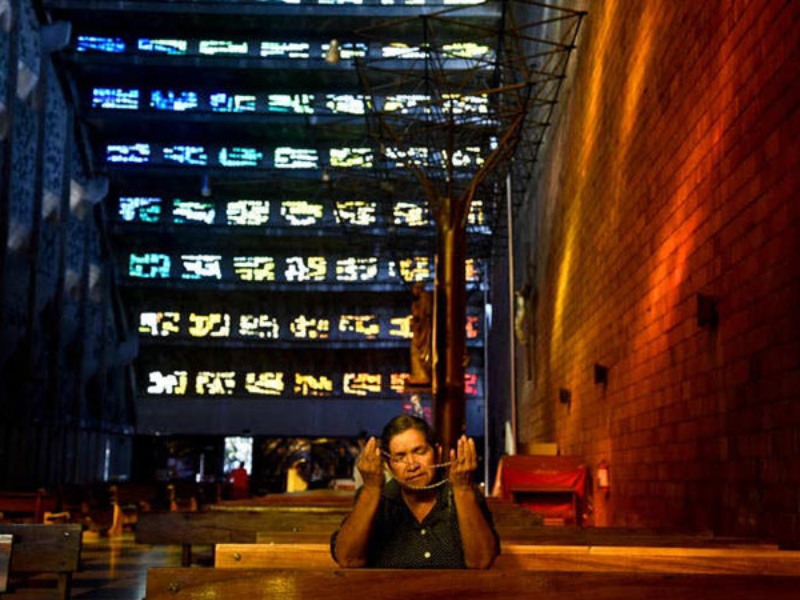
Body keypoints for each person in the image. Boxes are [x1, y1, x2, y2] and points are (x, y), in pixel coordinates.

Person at [330, 415, 499, 569]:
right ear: (388, 466)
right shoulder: (375, 498)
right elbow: (348, 560)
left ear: (438, 454)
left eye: (420, 452)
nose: (412, 465)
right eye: (400, 457)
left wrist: (463, 491)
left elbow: (481, 562)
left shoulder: (462, 494)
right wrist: (371, 489)